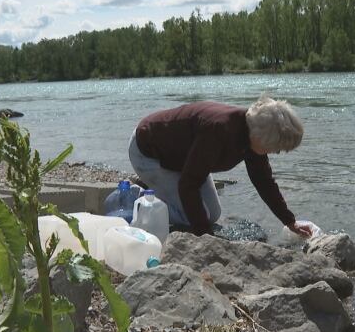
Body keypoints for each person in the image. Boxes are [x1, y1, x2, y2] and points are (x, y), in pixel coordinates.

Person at [128, 96, 313, 238]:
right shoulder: (218, 130)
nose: (274, 152)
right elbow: (188, 185)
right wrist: (206, 237)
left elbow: (264, 181)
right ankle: (138, 199)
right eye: (275, 148)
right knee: (189, 218)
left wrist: (290, 221)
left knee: (212, 214)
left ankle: (155, 195)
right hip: (148, 152)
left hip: (182, 159)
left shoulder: (253, 135)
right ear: (261, 137)